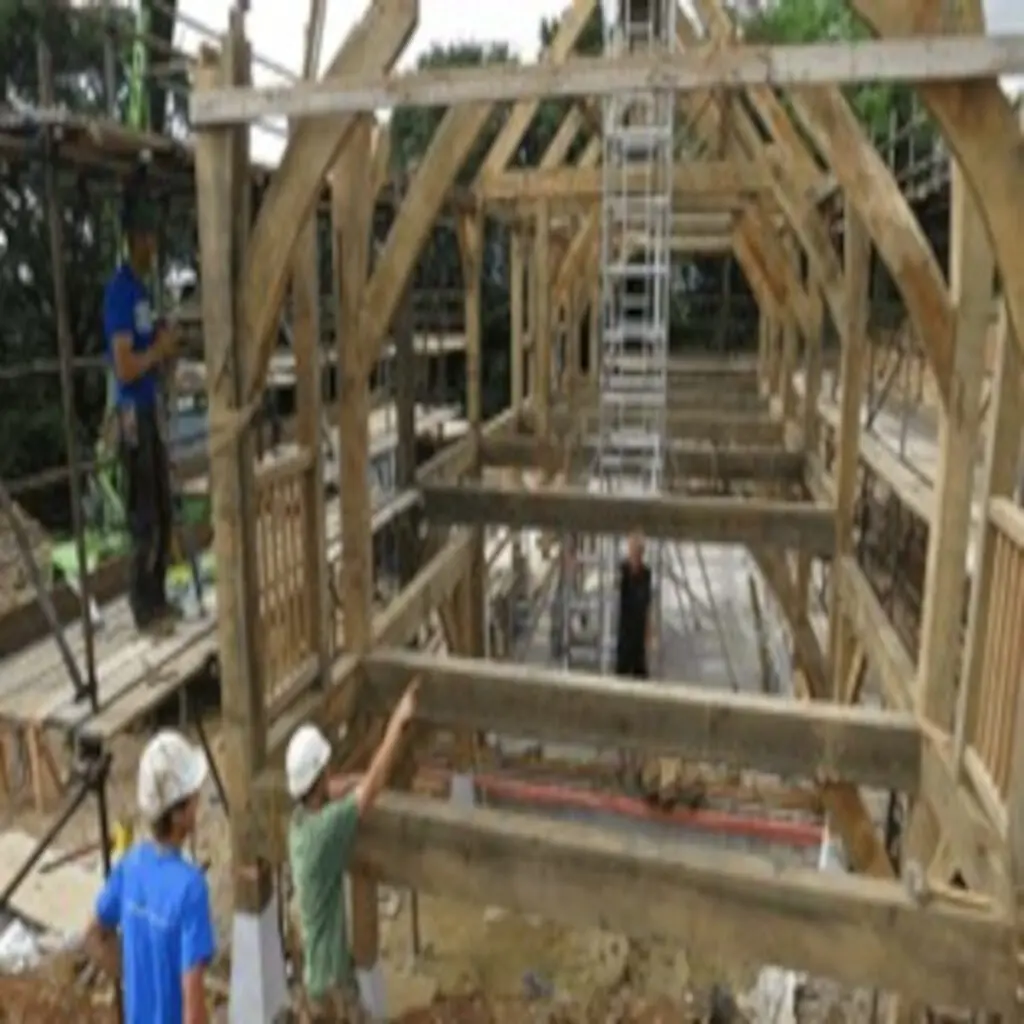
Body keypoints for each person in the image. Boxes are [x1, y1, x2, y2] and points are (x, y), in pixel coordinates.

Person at [286, 681, 419, 1022]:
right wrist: (396, 726)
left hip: (317, 981)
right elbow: (369, 792)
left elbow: (333, 788)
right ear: (321, 772)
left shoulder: (299, 823)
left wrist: (355, 781)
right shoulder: (326, 830)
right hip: (333, 988)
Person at [85, 730, 215, 1024]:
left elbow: (93, 936)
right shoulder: (190, 888)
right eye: (193, 796)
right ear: (178, 814)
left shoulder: (131, 865)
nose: (199, 801)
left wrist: (135, 977)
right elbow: (193, 1011)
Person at [103, 187, 178, 633]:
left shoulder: (143, 292)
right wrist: (157, 353)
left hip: (152, 409)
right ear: (132, 239)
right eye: (147, 239)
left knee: (164, 510)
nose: (153, 247)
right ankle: (142, 607)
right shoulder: (120, 294)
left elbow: (149, 353)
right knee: (144, 514)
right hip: (132, 413)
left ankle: (160, 599)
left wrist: (166, 346)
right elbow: (126, 365)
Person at [615, 530, 653, 679]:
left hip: (639, 626)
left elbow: (647, 600)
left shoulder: (646, 573)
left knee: (640, 669)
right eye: (634, 549)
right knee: (623, 669)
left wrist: (649, 628)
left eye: (639, 550)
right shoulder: (623, 570)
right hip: (625, 628)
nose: (636, 553)